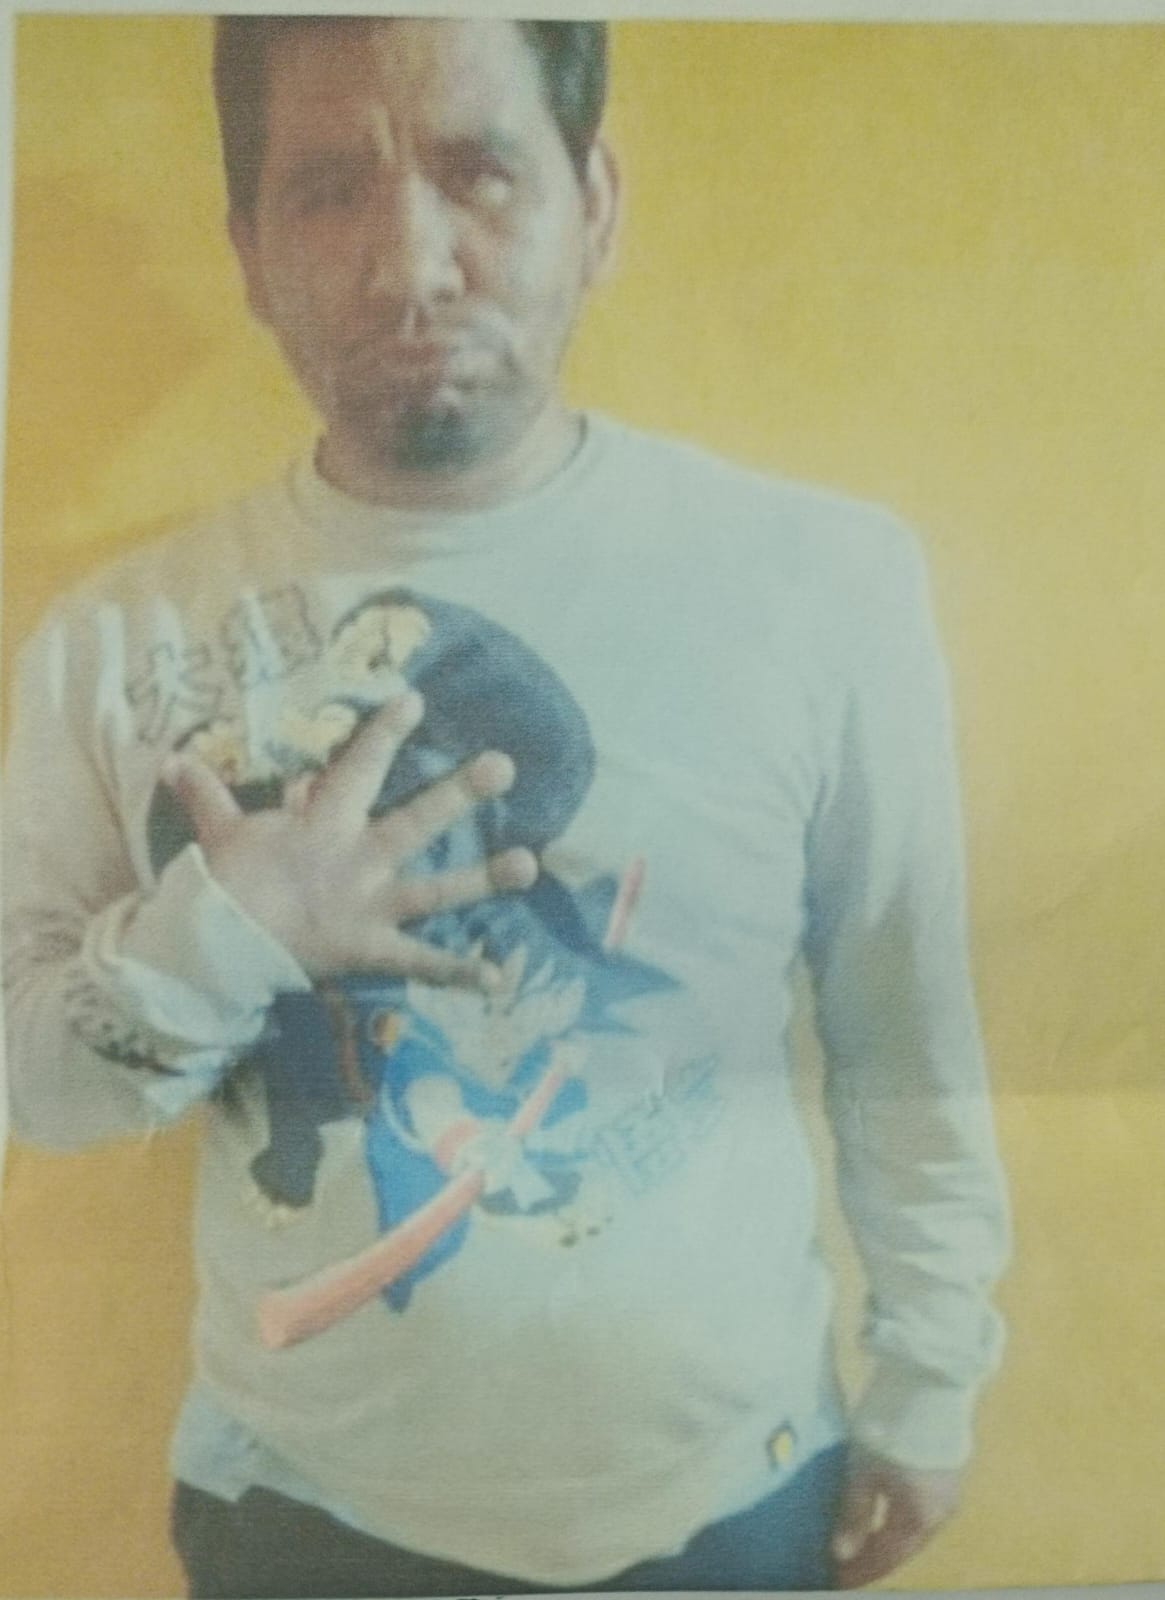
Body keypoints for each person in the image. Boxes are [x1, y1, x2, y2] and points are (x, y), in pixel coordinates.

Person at [1, 16, 1010, 1596]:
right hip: (303, 1514)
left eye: (479, 172)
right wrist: (223, 934)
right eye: (328, 188)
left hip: (727, 1495)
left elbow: (902, 1024)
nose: (411, 263)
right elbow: (32, 1088)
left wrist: (931, 1374)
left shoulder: (822, 584)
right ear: (249, 250)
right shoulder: (109, 645)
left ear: (592, 206)